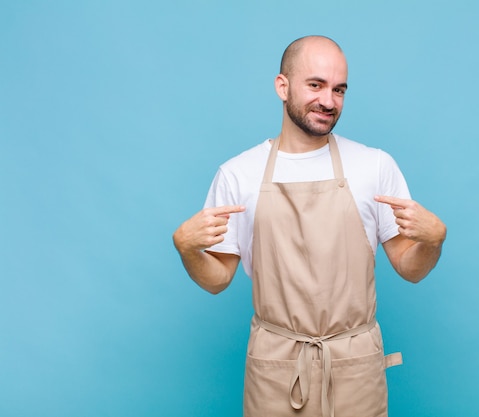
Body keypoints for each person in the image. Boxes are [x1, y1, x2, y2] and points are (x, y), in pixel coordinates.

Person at [173, 35, 447, 417]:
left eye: (339, 89)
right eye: (315, 85)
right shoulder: (238, 174)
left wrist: (434, 242)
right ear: (282, 87)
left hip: (354, 366)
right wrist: (187, 250)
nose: (329, 101)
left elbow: (409, 267)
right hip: (278, 368)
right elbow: (217, 278)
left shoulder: (374, 166)